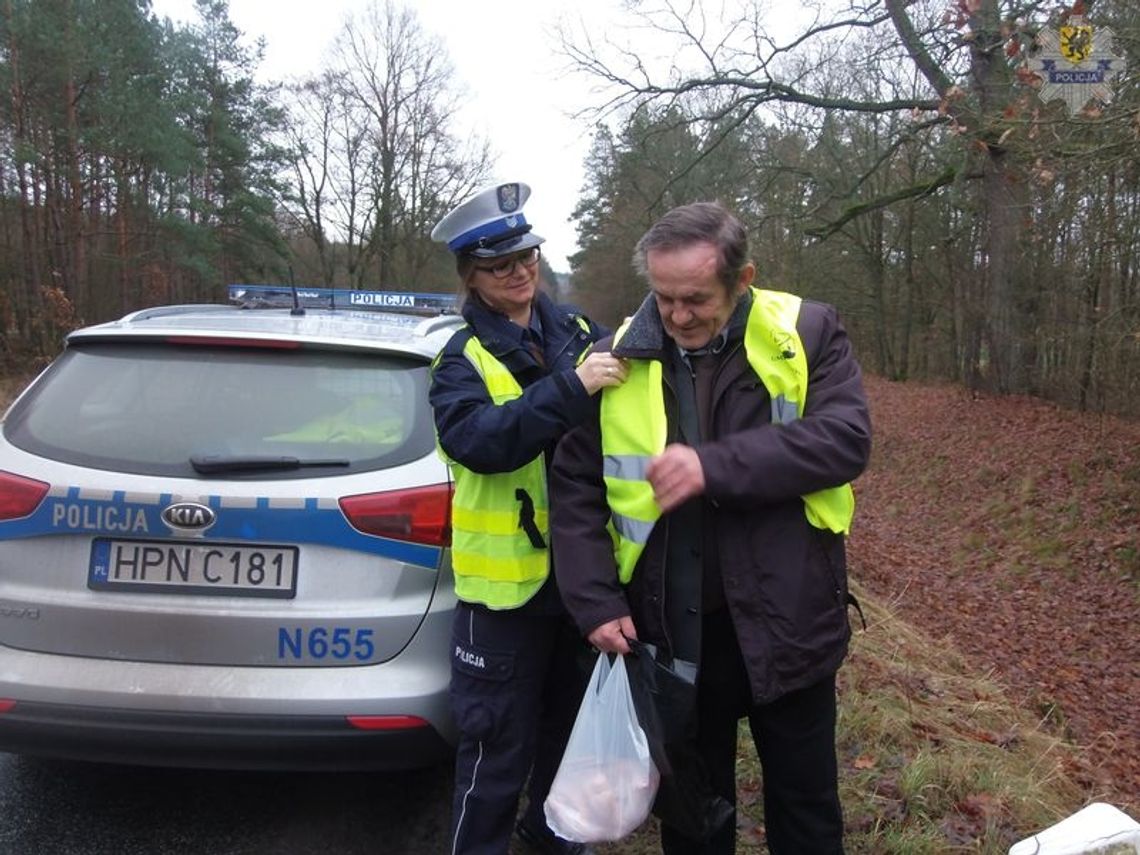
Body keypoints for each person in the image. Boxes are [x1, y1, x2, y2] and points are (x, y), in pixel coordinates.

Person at [550, 201, 872, 854]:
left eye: (695, 298)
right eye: (662, 297)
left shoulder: (806, 332)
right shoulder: (613, 359)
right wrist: (593, 600)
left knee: (806, 814)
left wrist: (712, 465)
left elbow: (845, 440)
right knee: (695, 822)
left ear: (743, 278)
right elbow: (576, 489)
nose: (676, 316)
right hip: (672, 636)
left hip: (790, 623)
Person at [429, 181, 628, 855]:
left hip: (578, 587)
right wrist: (571, 389)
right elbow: (481, 441)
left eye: (527, 255)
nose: (520, 271)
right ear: (471, 276)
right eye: (499, 264)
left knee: (565, 753)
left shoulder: (575, 330)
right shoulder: (462, 358)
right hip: (503, 599)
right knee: (493, 764)